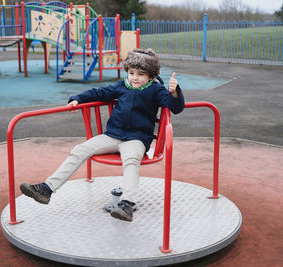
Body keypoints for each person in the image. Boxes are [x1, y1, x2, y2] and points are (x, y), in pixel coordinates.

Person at [20, 48, 185, 222]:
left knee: (131, 160)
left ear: (151, 75)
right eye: (131, 72)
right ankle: (47, 189)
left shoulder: (155, 90)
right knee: (79, 150)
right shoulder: (122, 86)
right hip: (112, 135)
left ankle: (127, 204)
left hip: (136, 138)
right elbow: (99, 93)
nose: (135, 77)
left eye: (141, 74)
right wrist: (78, 98)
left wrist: (174, 92)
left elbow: (174, 107)